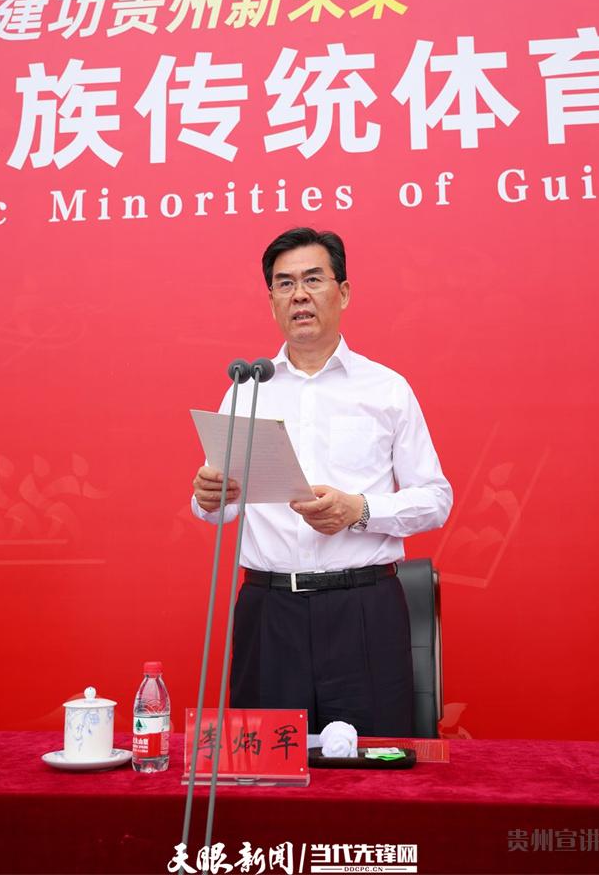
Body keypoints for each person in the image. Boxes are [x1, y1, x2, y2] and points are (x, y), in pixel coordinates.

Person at [191, 227, 452, 736]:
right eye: (284, 284)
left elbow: (436, 499)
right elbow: (221, 508)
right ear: (272, 300)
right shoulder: (247, 390)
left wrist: (360, 510)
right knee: (264, 770)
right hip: (269, 614)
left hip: (363, 612)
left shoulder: (386, 388)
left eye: (313, 279)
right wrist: (208, 496)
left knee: (371, 768)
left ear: (343, 292)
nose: (299, 295)